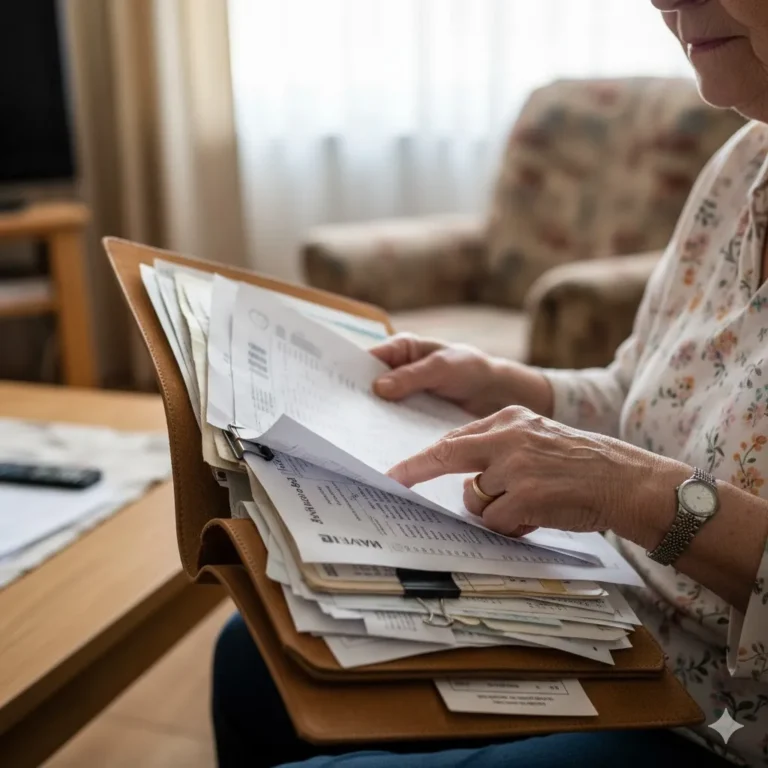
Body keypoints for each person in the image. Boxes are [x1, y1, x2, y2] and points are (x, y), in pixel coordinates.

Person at [212, 1, 768, 765]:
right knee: (251, 654)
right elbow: (643, 394)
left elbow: (639, 472)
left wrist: (636, 492)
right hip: (615, 615)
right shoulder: (743, 162)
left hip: (719, 722)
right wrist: (505, 385)